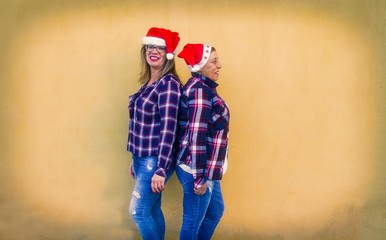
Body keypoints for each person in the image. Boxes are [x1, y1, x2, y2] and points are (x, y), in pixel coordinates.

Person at [127, 27, 181, 240]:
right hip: (141, 158)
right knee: (151, 209)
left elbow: (169, 130)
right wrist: (135, 159)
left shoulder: (168, 85)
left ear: (168, 54)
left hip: (155, 160)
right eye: (150, 46)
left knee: (138, 211)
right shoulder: (149, 84)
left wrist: (161, 168)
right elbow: (140, 124)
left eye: (159, 47)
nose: (153, 51)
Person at [176, 43, 230, 240]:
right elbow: (196, 137)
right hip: (197, 169)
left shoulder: (204, 88)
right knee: (192, 222)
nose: (220, 65)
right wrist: (200, 178)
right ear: (200, 66)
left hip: (208, 169)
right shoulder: (199, 91)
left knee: (215, 212)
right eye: (214, 61)